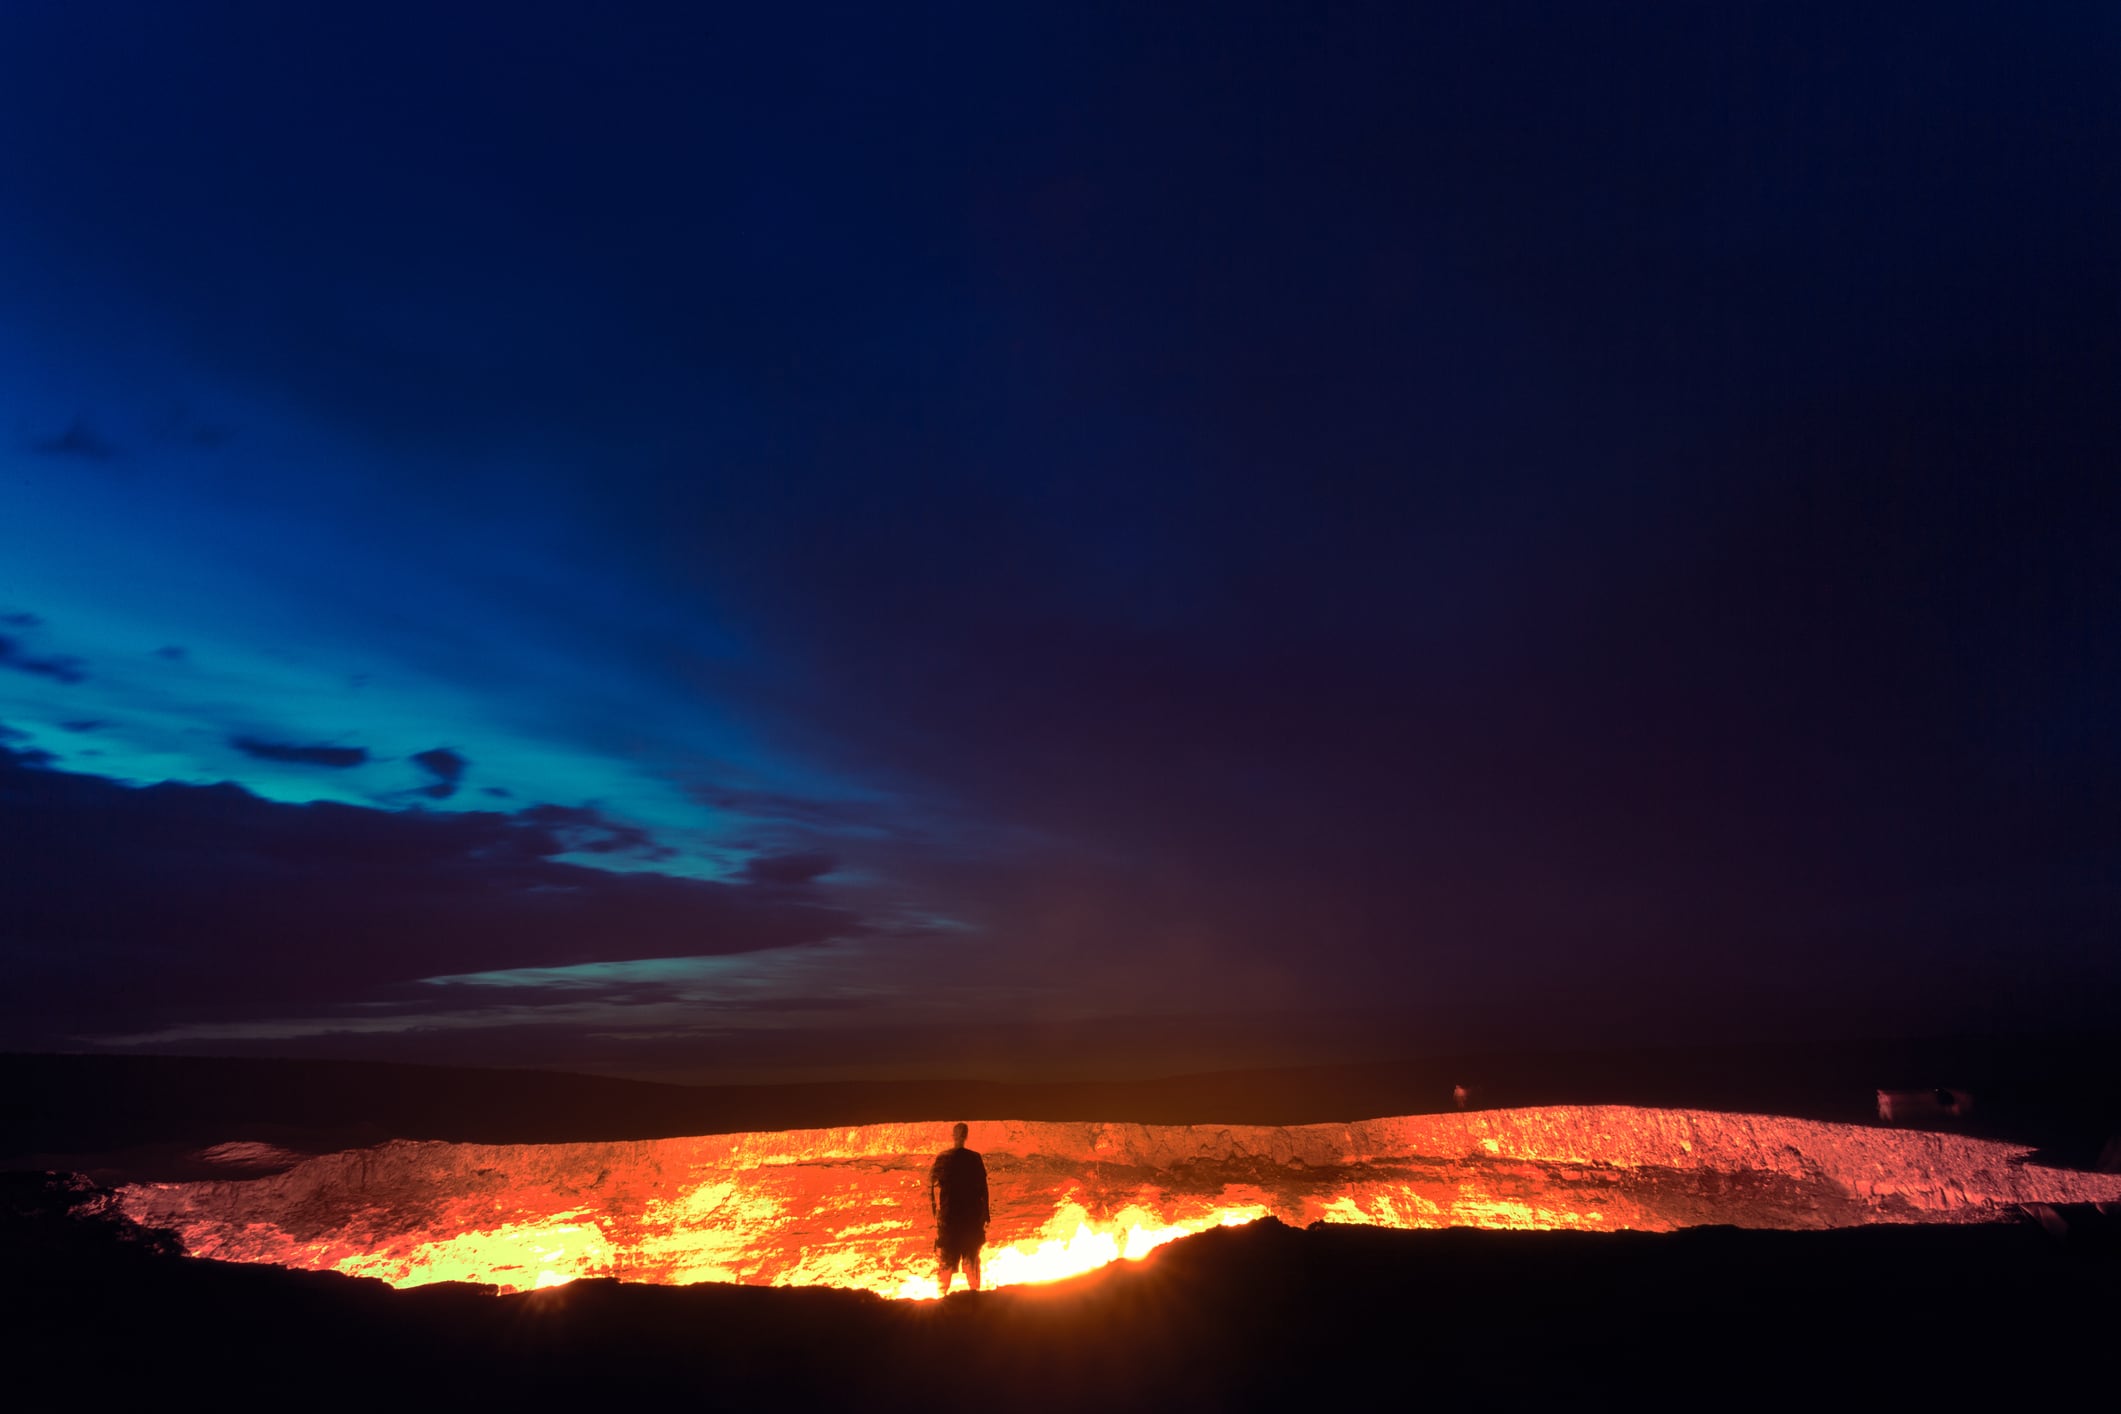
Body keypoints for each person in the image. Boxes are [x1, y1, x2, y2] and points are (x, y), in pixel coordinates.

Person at [927, 1121, 989, 1293]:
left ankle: (970, 1293)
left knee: (968, 1257)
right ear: (955, 1135)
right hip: (957, 1216)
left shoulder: (950, 1158)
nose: (960, 1135)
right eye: (959, 1132)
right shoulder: (955, 1158)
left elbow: (983, 1187)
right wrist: (936, 1213)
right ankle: (946, 1294)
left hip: (962, 1217)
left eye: (962, 1132)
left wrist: (985, 1212)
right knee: (951, 1258)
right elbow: (931, 1187)